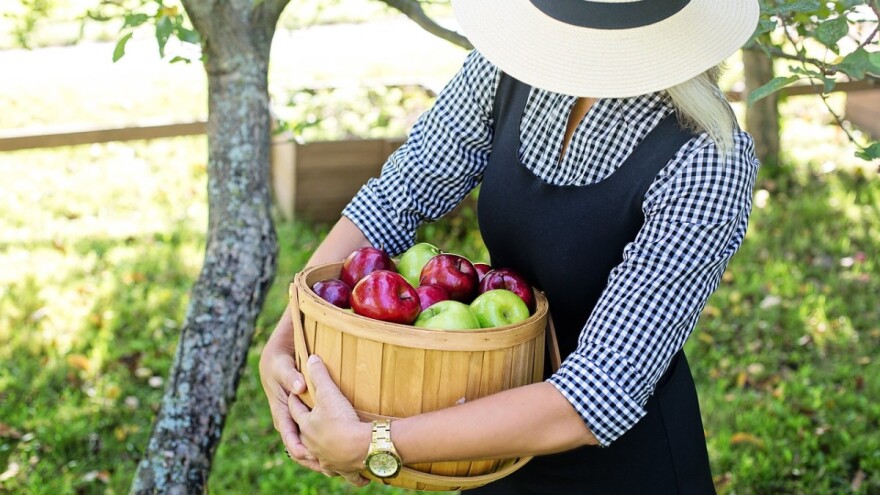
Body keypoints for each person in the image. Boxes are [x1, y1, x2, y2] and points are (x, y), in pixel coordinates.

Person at [260, 0, 761, 493]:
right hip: (480, 431)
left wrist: (374, 442)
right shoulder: (511, 69)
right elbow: (397, 198)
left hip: (616, 466)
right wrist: (290, 335)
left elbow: (599, 393)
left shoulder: (707, 157)